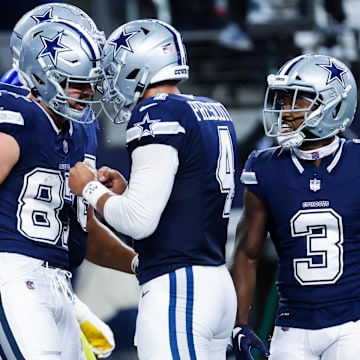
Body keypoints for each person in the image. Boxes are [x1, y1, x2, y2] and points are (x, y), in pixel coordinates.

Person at [69, 18, 238, 359]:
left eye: (115, 67)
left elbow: (138, 221)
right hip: (216, 283)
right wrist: (126, 191)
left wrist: (89, 189)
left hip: (179, 288)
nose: (109, 79)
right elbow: (186, 199)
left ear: (139, 64)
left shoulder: (156, 111)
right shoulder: (210, 108)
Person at [0, 17, 138, 359]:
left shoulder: (83, 129)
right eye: (76, 83)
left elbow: (84, 230)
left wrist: (141, 265)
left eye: (91, 83)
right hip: (13, 275)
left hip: (58, 282)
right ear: (41, 76)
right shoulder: (16, 117)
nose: (87, 93)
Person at [229, 53, 360, 360]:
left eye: (298, 101)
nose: (285, 112)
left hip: (352, 323)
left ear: (334, 106)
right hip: (292, 327)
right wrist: (239, 324)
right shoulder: (265, 168)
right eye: (283, 100)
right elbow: (247, 254)